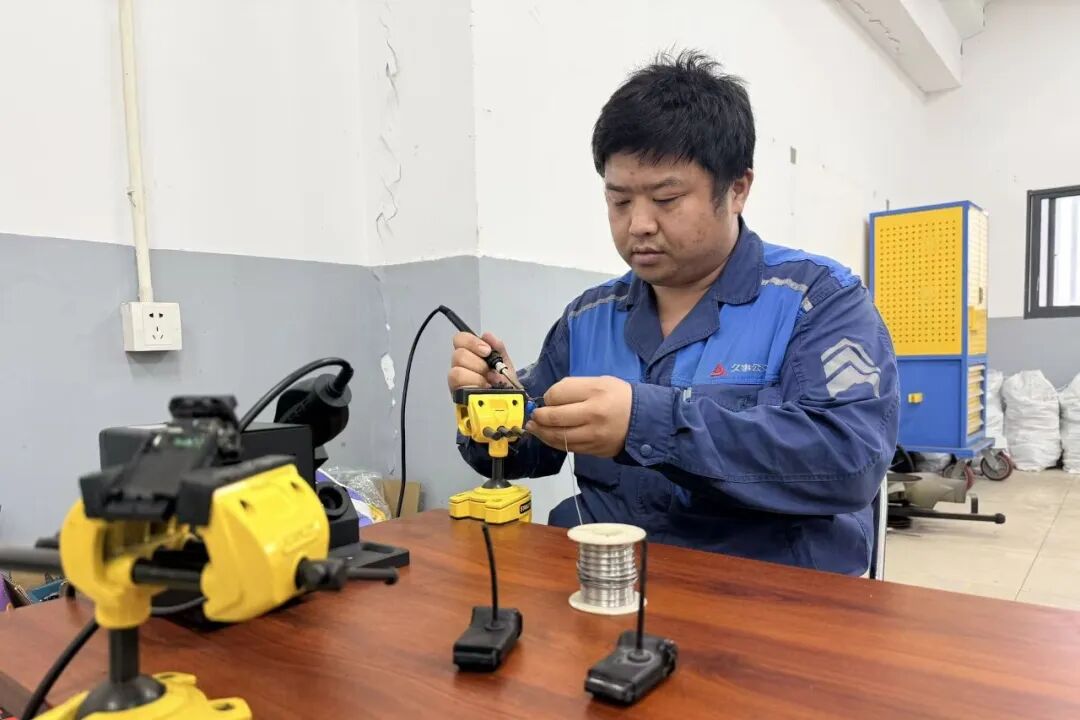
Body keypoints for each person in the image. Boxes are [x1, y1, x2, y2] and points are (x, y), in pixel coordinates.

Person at [448, 50, 899, 575]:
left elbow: (849, 459)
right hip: (609, 585)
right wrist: (490, 407)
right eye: (619, 201)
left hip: (767, 597)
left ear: (737, 190)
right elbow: (527, 453)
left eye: (665, 199)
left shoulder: (816, 300)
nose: (638, 224)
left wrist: (647, 423)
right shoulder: (587, 319)